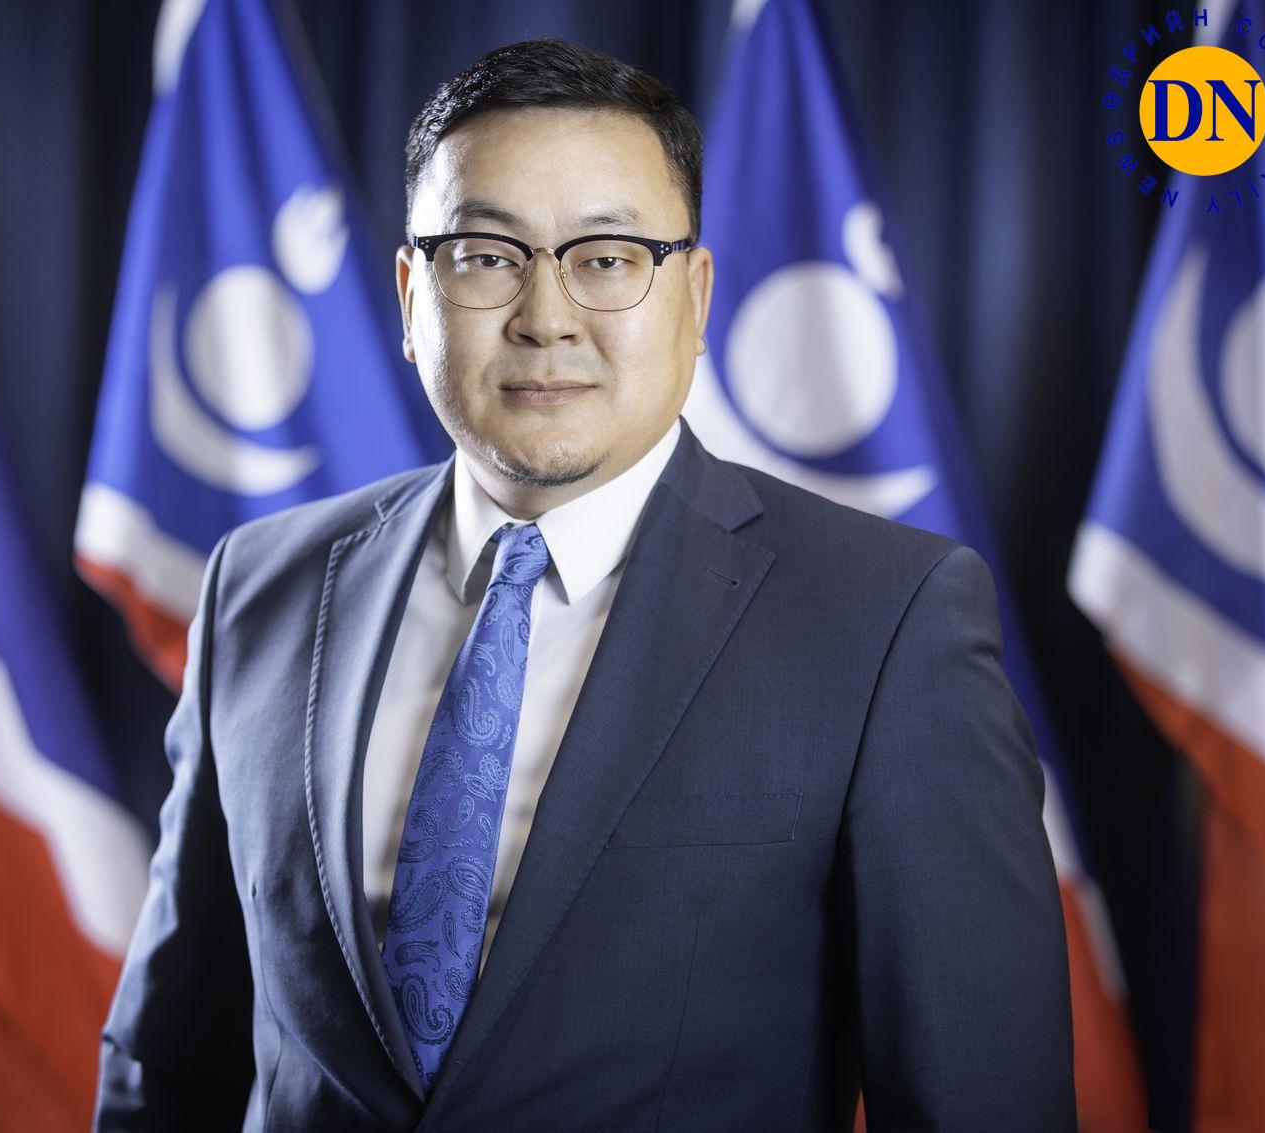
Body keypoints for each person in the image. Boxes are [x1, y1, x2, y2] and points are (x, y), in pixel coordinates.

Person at [94, 38, 1075, 1132]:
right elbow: (166, 1064)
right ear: (412, 295)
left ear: (695, 296)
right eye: (485, 255)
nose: (546, 317)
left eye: (607, 257)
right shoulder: (261, 588)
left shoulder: (887, 620)